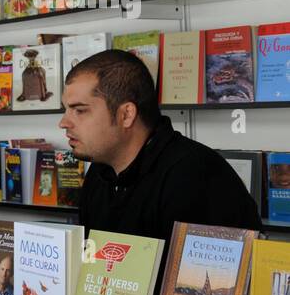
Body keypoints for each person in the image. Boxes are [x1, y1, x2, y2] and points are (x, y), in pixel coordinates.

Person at [60, 50, 261, 246]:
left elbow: (211, 277)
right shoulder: (101, 172)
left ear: (126, 115)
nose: (64, 123)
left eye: (79, 110)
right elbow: (92, 267)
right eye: (66, 110)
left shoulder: (197, 176)